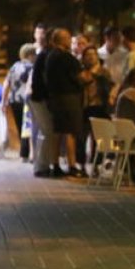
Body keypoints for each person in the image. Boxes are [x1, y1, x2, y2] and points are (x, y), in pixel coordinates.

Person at [45, 29, 84, 178]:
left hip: (54, 98)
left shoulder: (50, 57)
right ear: (62, 40)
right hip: (69, 98)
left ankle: (54, 164)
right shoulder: (67, 58)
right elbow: (80, 78)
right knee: (70, 132)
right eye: (68, 37)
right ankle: (72, 165)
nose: (70, 40)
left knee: (57, 132)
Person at [30, 30, 61, 178]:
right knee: (47, 131)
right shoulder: (48, 55)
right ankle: (41, 165)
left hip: (38, 97)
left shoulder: (45, 54)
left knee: (46, 131)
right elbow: (44, 79)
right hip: (39, 98)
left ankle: (43, 164)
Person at [78, 46, 113, 173]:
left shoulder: (104, 72)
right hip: (84, 107)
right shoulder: (80, 72)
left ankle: (96, 164)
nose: (91, 57)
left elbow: (109, 88)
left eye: (93, 54)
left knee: (98, 138)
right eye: (88, 54)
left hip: (99, 107)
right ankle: (81, 164)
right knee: (82, 136)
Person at [4, 44, 36, 162]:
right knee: (28, 126)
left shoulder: (14, 66)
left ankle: (23, 152)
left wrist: (4, 100)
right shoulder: (32, 67)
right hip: (27, 100)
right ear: (31, 54)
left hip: (14, 99)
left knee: (19, 126)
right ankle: (27, 152)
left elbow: (6, 84)